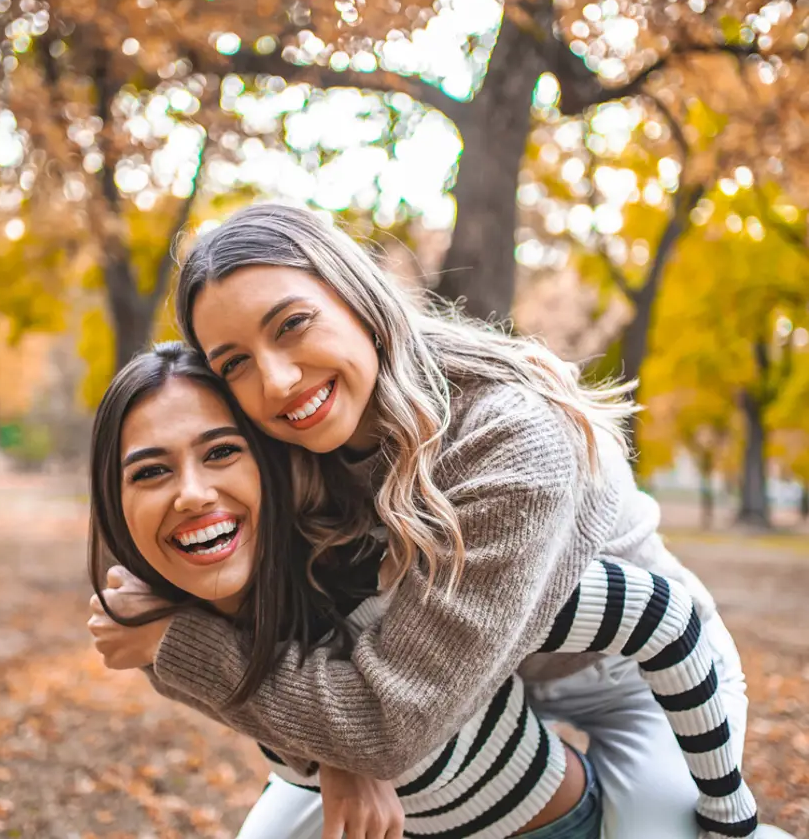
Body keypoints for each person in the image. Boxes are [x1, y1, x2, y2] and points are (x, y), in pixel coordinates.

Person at [88, 342, 756, 839]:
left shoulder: (414, 573)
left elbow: (662, 619)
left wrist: (733, 817)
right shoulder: (167, 608)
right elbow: (284, 707)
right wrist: (338, 747)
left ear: (271, 466)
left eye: (221, 452)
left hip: (631, 685)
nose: (194, 492)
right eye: (149, 470)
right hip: (477, 726)